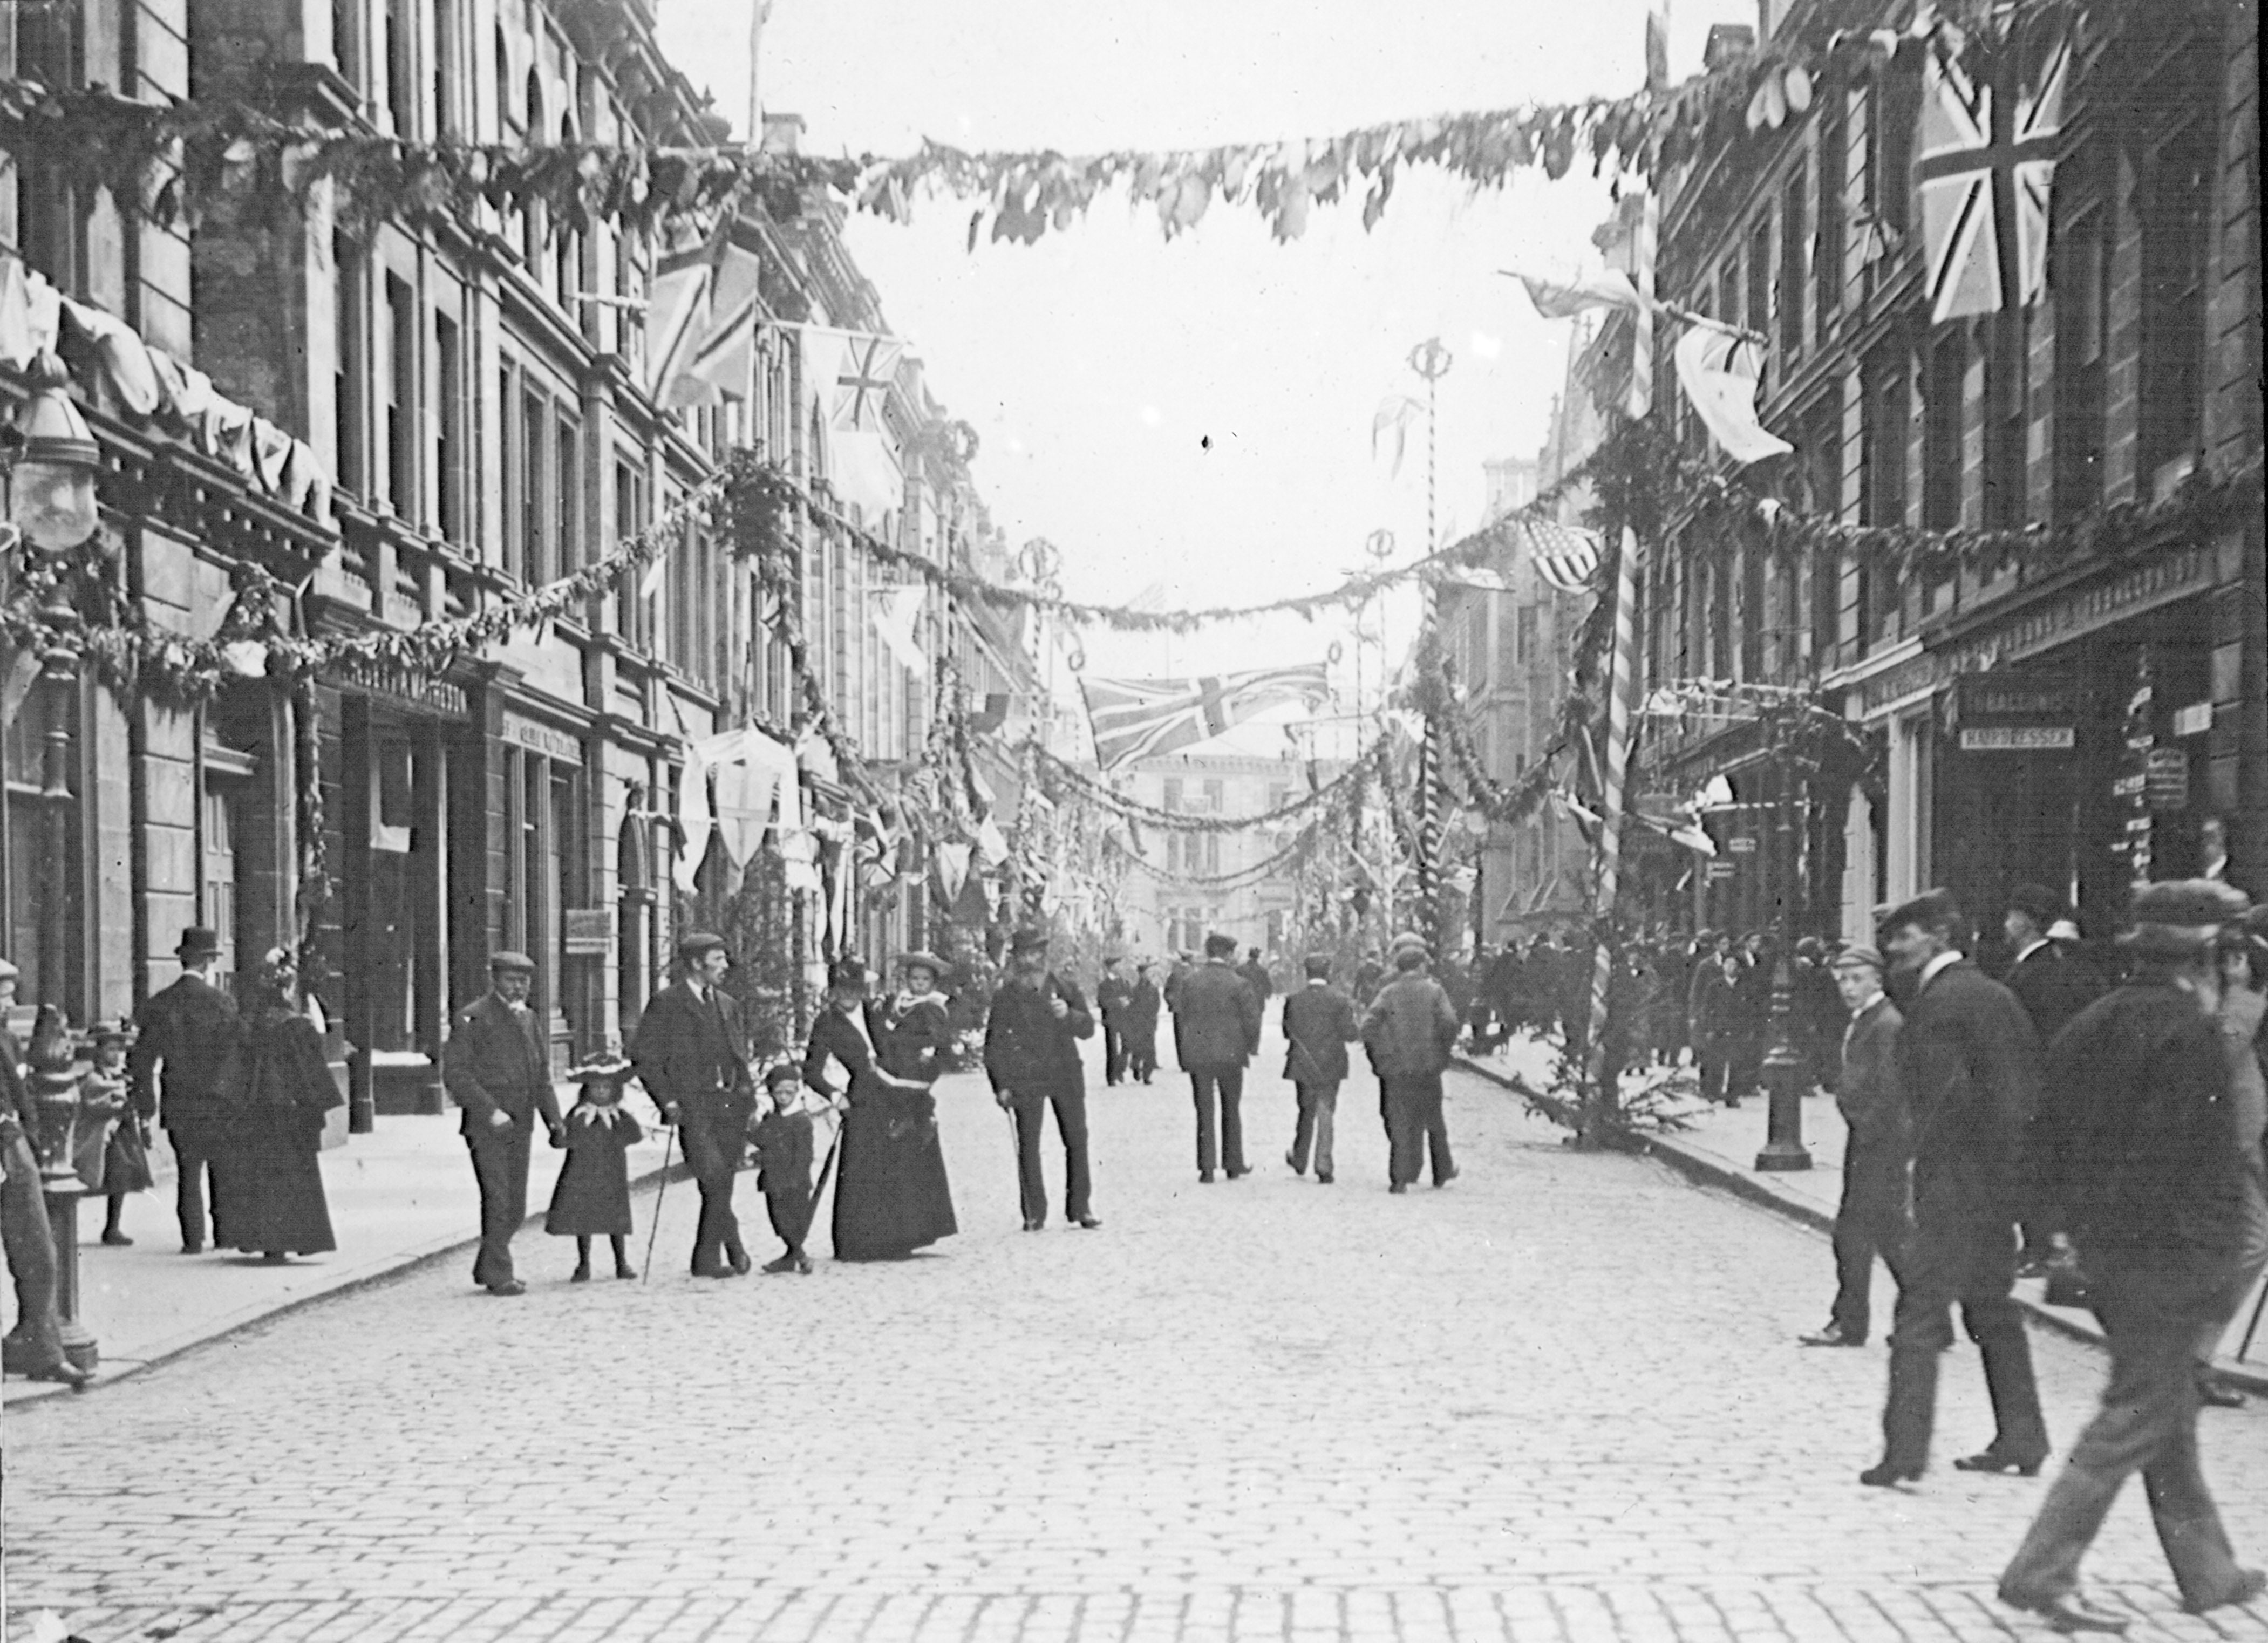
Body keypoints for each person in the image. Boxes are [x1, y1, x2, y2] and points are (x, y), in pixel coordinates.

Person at [1999, 880, 2265, 1632]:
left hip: (2109, 1256)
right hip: (2171, 1262)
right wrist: (2216, 1268)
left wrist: (2062, 1233)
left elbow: (2042, 1138)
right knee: (2135, 1414)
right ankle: (2040, 1570)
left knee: (2165, 1412)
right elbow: (2198, 1163)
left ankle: (2207, 1572)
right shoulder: (2190, 1036)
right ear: (2207, 955)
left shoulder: (2093, 1022)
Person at [1861, 889, 2049, 1487]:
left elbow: (1944, 1106)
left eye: (1905, 936)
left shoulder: (1942, 1004)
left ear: (1940, 935)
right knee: (1992, 1310)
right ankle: (2023, 1436)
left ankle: (1903, 1452)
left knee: (1918, 1314)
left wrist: (1917, 1169)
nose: (1893, 948)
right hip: (1990, 1189)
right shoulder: (1991, 995)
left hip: (1952, 1189)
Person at [805, 956, 958, 1262]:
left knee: (903, 1163)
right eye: (841, 989)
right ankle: (860, 1243)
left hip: (898, 1094)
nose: (848, 995)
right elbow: (811, 1071)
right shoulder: (827, 1023)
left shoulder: (879, 1010)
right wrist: (835, 1097)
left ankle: (904, 1237)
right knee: (866, 1170)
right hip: (863, 1100)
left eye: (854, 988)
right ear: (832, 990)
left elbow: (917, 1034)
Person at [1800, 945, 1910, 1348]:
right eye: (1843, 979)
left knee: (1853, 1235)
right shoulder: (1868, 1019)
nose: (1848, 987)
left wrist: (1867, 1127)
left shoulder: (1885, 1023)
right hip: (1870, 1140)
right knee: (1889, 1233)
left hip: (1877, 1142)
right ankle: (1927, 1317)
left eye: (1857, 979)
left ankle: (1849, 1323)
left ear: (1877, 979)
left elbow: (1891, 1091)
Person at [629, 933, 755, 1279]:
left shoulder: (727, 1004)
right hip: (693, 1107)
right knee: (713, 1177)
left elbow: (740, 1057)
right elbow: (645, 1057)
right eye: (718, 959)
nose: (725, 966)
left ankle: (709, 1258)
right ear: (697, 963)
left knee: (722, 1182)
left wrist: (749, 1100)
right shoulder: (667, 1003)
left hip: (730, 1106)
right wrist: (667, 1099)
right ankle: (729, 1246)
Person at [442, 951, 567, 1296]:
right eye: (511, 980)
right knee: (498, 1200)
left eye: (524, 981)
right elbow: (457, 1074)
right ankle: (499, 1274)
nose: (519, 987)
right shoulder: (473, 1017)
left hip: (521, 1125)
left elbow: (541, 1075)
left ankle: (488, 1266)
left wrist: (555, 1121)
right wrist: (490, 1111)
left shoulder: (530, 1019)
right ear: (494, 980)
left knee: (516, 1206)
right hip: (488, 1126)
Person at [2001, 882, 2101, 1278]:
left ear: (2025, 922)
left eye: (2012, 916)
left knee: (2034, 1169)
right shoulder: (2052, 967)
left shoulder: (2033, 972)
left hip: (2034, 1086)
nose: (2006, 924)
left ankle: (2039, 1249)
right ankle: (2042, 1247)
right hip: (2053, 1086)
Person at [128, 926, 244, 1254]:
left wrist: (146, 1107)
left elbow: (142, 1061)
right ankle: (225, 1235)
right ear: (207, 962)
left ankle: (192, 1240)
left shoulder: (161, 1003)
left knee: (188, 1173)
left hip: (179, 1101)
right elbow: (235, 1056)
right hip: (218, 1102)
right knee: (221, 1170)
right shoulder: (222, 1003)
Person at [0, 959, 86, 1387]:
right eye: (3, 996)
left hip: (11, 1149)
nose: (10, 1003)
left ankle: (43, 1351)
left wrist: (28, 1142)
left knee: (38, 1254)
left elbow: (23, 1098)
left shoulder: (8, 1040)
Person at [2197, 907, 2268, 1409]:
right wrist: (2243, 993)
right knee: (2250, 1243)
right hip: (2234, 1142)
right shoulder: (2232, 998)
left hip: (2246, 1139)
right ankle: (2193, 1358)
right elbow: (2226, 1054)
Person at [228, 950, 340, 1263]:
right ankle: (294, 1238)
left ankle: (266, 1241)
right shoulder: (298, 1028)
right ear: (288, 990)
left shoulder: (249, 1026)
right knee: (293, 1174)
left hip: (257, 1108)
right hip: (291, 1111)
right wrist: (316, 1113)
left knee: (261, 1173)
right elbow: (312, 1077)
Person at [984, 928, 1100, 1231]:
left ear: (1044, 957)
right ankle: (1034, 1212)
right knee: (1029, 1144)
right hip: (1026, 1076)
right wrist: (1001, 1085)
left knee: (1077, 1140)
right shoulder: (1006, 995)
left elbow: (1088, 1029)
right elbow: (994, 1043)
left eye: (1036, 954)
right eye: (1024, 955)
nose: (1030, 961)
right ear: (1016, 959)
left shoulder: (1065, 988)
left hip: (1065, 1072)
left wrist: (1069, 1015)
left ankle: (1081, 1207)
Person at [1361, 944, 1461, 1194]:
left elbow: (1368, 1026)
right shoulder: (1435, 991)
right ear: (1421, 966)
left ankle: (1399, 1177)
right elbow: (1450, 1022)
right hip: (1428, 1066)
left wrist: (1381, 1056)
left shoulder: (1389, 993)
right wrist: (1442, 1052)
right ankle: (1441, 1171)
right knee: (1435, 1119)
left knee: (1399, 1119)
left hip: (1397, 1067)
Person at [1174, 933, 1263, 1183]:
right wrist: (1248, 1047)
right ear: (1228, 954)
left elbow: (1182, 1017)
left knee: (1204, 1108)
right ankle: (1233, 1163)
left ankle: (1207, 1167)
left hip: (1199, 1053)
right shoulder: (1240, 983)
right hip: (1231, 1054)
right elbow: (1252, 1021)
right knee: (1231, 1107)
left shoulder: (1191, 982)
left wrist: (1187, 1049)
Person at [545, 1068, 642, 1282]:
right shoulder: (579, 1114)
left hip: (612, 1173)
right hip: (583, 1173)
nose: (601, 1092)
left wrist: (622, 1135)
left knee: (616, 1219)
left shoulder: (618, 1115)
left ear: (615, 1091)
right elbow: (562, 1141)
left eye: (606, 1087)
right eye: (596, 1087)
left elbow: (635, 1135)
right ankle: (584, 1264)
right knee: (584, 1219)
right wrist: (558, 1132)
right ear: (587, 1090)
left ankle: (621, 1263)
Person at [1281, 954, 1359, 1184]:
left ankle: (1300, 1158)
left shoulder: (1294, 1000)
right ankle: (1324, 1166)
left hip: (1303, 1062)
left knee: (1305, 1110)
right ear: (1328, 972)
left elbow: (1287, 1032)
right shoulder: (1340, 1000)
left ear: (1307, 973)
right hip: (1331, 1063)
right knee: (1326, 1110)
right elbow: (1350, 1033)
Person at [751, 1062, 825, 1274]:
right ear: (771, 1092)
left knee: (792, 1223)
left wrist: (796, 1177)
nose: (784, 1097)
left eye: (789, 1092)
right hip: (773, 1179)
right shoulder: (771, 1118)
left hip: (795, 1181)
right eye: (779, 1092)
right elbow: (761, 1141)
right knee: (779, 1221)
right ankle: (792, 1258)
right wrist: (752, 1124)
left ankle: (800, 1257)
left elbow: (805, 1154)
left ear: (796, 1092)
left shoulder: (801, 1120)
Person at [88, 1021, 152, 1247]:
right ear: (99, 1052)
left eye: (119, 1050)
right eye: (111, 1050)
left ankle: (113, 1225)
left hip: (121, 1132)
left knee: (120, 1174)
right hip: (100, 1132)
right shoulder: (94, 1077)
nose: (116, 1055)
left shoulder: (123, 1076)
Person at [878, 952, 955, 1086]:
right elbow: (893, 1013)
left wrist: (928, 1051)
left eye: (926, 979)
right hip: (899, 1051)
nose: (920, 983)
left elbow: (937, 1033)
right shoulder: (904, 999)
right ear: (908, 980)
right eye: (915, 978)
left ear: (934, 983)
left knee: (914, 1084)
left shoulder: (932, 1005)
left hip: (919, 1053)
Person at [1095, 952, 1133, 1086]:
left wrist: (1129, 1002)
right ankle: (1111, 1077)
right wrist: (1118, 1002)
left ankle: (1120, 1069)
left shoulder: (1124, 982)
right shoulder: (1104, 985)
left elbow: (1131, 997)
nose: (1120, 967)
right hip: (1111, 1019)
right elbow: (1102, 1002)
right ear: (1111, 967)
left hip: (1124, 1018)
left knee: (1128, 1045)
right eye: (1117, 965)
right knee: (1112, 1049)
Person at [1123, 959, 1162, 1084]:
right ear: (1141, 974)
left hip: (1150, 1022)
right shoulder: (1135, 989)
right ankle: (1135, 1067)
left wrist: (1152, 1016)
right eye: (1146, 972)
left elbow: (1157, 1005)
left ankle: (1147, 1075)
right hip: (1138, 1023)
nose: (1149, 975)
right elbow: (1131, 1007)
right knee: (1138, 1048)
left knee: (1150, 1049)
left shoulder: (1153, 989)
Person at [1238, 947, 1275, 1012]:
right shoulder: (1263, 971)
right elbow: (1268, 984)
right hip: (1258, 999)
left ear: (1249, 956)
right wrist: (1268, 994)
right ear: (1258, 957)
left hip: (1244, 999)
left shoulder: (1240, 969)